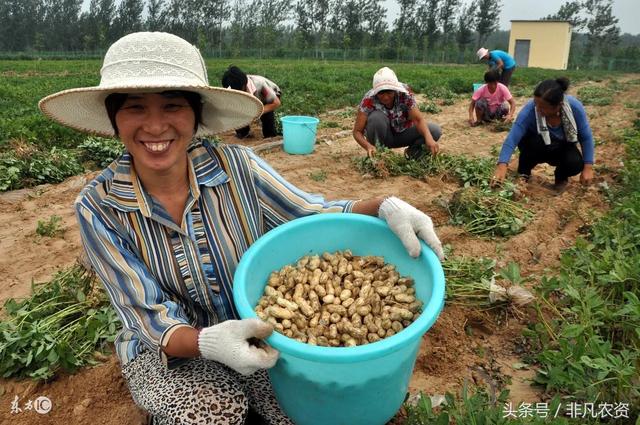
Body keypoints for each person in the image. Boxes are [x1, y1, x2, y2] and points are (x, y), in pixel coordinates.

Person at [38, 32, 445, 425]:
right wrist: (207, 342)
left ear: (196, 115)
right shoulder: (98, 206)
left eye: (173, 106)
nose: (156, 126)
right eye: (134, 107)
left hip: (261, 329)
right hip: (168, 350)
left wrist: (383, 207)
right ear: (114, 119)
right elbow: (145, 315)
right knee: (216, 412)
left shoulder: (238, 167)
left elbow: (308, 212)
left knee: (304, 411)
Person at [492, 77, 595, 190]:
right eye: (536, 104)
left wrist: (588, 167)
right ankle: (524, 173)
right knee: (529, 143)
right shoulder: (530, 110)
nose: (537, 109)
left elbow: (586, 138)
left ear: (558, 106)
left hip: (561, 148)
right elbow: (512, 138)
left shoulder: (574, 108)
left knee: (575, 163)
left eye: (542, 107)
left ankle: (561, 177)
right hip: (536, 147)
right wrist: (502, 165)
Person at [352, 66, 442, 160]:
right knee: (376, 118)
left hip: (403, 133)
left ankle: (413, 153)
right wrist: (368, 146)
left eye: (389, 92)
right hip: (383, 137)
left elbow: (418, 120)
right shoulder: (368, 100)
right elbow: (357, 132)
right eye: (381, 93)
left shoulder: (405, 93)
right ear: (376, 92)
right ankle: (378, 155)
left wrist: (429, 139)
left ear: (395, 90)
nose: (386, 97)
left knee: (434, 131)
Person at [222, 65, 282, 139]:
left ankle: (270, 134)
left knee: (267, 116)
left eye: (239, 91)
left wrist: (258, 112)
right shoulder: (232, 87)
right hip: (251, 97)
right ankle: (243, 133)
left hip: (269, 96)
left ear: (244, 85)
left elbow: (276, 103)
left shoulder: (260, 85)